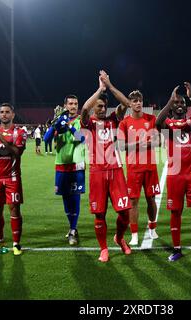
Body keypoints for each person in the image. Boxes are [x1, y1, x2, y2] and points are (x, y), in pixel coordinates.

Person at [156, 83, 191, 262]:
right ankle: (177, 248)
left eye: (182, 103)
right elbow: (157, 122)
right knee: (175, 212)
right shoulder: (168, 126)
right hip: (175, 175)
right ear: (172, 107)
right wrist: (169, 101)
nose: (180, 105)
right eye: (176, 103)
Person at [80, 70, 131, 263]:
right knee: (99, 214)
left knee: (124, 213)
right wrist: (99, 89)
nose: (101, 109)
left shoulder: (113, 120)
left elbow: (126, 104)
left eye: (103, 106)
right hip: (97, 172)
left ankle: (119, 237)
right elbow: (84, 110)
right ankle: (103, 249)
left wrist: (109, 86)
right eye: (98, 106)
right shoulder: (88, 123)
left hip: (116, 171)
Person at [118, 90, 161, 246]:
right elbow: (121, 146)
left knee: (151, 199)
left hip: (150, 167)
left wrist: (144, 144)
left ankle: (152, 227)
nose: (137, 103)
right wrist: (138, 144)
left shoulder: (151, 119)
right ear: (129, 103)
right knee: (133, 201)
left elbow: (158, 142)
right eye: (134, 101)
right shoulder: (124, 123)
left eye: (140, 100)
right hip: (134, 168)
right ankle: (134, 234)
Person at [0, 103, 27, 255]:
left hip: (12, 177)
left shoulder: (20, 132)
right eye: (1, 112)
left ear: (13, 115)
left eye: (7, 112)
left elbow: (16, 152)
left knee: (14, 208)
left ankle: (16, 243)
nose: (4, 114)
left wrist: (1, 138)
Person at [43, 94, 86, 245]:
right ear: (65, 105)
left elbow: (82, 138)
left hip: (76, 165)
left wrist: (68, 125)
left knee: (75, 198)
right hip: (61, 165)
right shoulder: (59, 121)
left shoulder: (81, 120)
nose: (73, 106)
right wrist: (55, 125)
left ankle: (73, 229)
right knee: (66, 200)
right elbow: (46, 139)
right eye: (71, 104)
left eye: (75, 103)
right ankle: (72, 226)